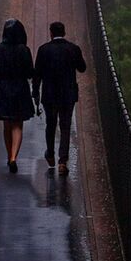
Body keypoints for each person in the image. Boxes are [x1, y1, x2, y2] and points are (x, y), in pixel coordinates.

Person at [32, 21, 86, 175]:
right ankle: (63, 161)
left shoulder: (43, 50)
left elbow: (37, 74)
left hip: (49, 94)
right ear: (64, 32)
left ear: (51, 33)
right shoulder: (73, 49)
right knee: (65, 126)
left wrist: (35, 92)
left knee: (51, 124)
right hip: (68, 94)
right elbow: (82, 68)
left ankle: (50, 154)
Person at [0, 17, 35, 173]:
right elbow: (30, 73)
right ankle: (14, 157)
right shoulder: (23, 50)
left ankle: (9, 156)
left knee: (6, 123)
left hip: (3, 87)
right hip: (20, 87)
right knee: (18, 123)